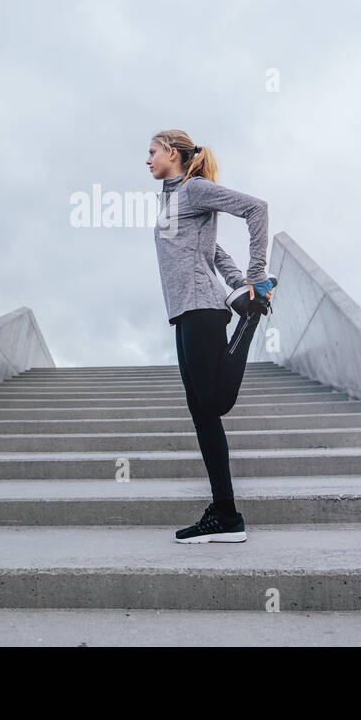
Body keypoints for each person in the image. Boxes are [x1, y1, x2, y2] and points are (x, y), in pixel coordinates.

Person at [148, 130, 277, 543]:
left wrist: (254, 278)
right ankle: (225, 513)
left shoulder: (195, 189)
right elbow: (212, 250)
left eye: (152, 152)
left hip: (203, 307)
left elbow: (257, 209)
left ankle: (251, 320)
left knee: (215, 402)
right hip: (184, 310)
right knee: (203, 416)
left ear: (172, 152)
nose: (147, 160)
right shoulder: (170, 200)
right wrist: (238, 281)